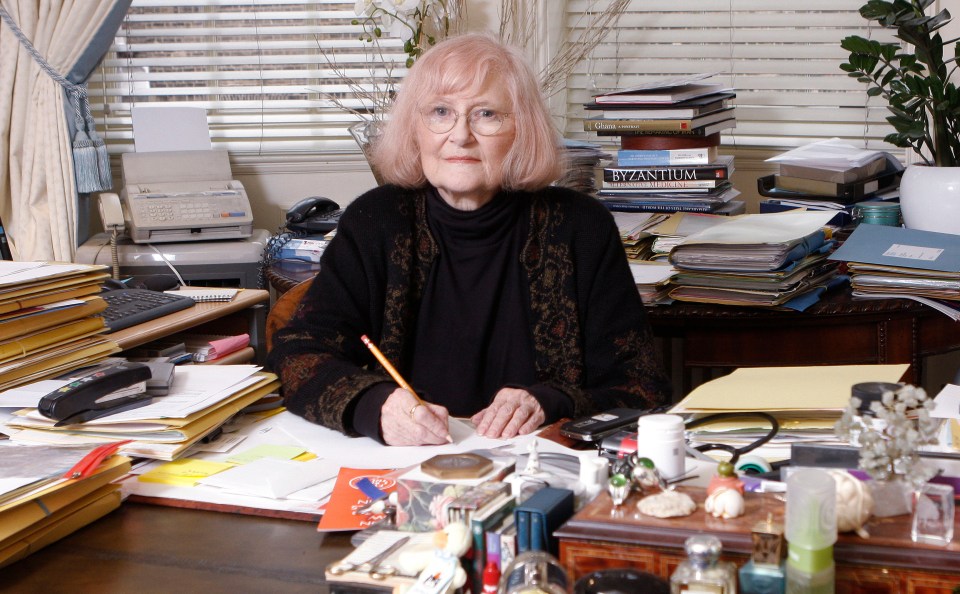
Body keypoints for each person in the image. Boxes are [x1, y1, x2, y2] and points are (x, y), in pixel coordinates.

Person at [268, 32, 670, 446]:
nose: (460, 136)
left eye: (486, 114)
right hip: (399, 467)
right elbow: (297, 355)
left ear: (521, 129)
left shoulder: (581, 226)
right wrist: (375, 406)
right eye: (440, 112)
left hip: (539, 472)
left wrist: (549, 401)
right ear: (415, 130)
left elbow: (642, 388)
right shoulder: (376, 220)